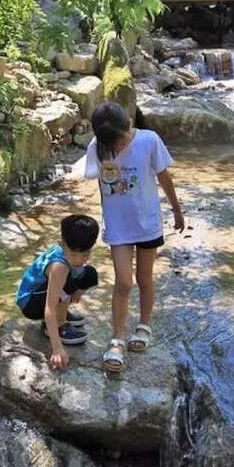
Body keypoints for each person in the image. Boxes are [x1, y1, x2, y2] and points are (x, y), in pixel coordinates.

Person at [84, 102, 184, 372]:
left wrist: (176, 210)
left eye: (120, 140)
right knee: (124, 282)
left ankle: (143, 324)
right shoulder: (97, 146)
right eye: (113, 144)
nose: (118, 147)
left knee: (144, 278)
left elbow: (164, 176)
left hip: (148, 222)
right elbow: (96, 180)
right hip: (118, 227)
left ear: (129, 124)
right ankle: (116, 338)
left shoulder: (149, 140)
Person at [16, 214, 100, 370]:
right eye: (73, 254)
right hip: (30, 303)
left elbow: (81, 273)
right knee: (67, 280)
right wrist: (57, 349)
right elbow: (49, 307)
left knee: (89, 273)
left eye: (85, 254)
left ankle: (62, 314)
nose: (79, 260)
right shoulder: (59, 266)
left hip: (40, 293)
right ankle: (58, 326)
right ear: (62, 243)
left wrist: (78, 291)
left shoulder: (67, 256)